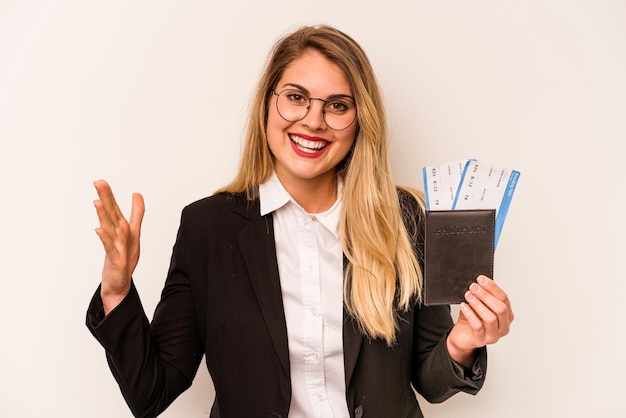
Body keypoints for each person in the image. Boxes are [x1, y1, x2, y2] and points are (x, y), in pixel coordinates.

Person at [86, 24, 514, 418]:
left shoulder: (404, 220)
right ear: (268, 104)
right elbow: (151, 390)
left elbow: (430, 381)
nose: (313, 120)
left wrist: (461, 344)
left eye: (337, 105)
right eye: (296, 97)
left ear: (359, 121)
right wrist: (117, 290)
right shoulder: (208, 228)